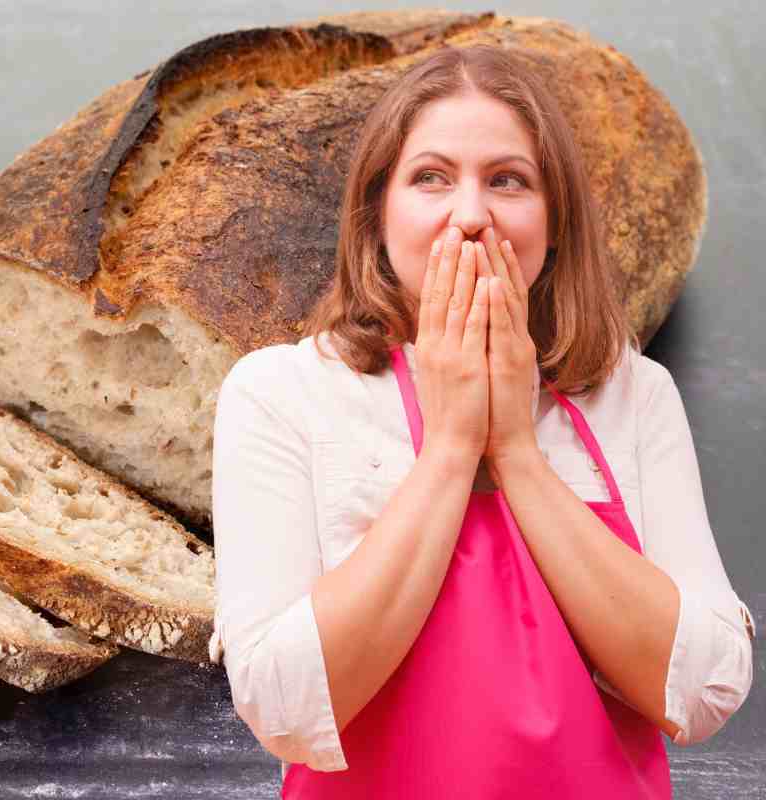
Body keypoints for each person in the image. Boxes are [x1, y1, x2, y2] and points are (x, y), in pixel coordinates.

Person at [208, 45, 755, 798]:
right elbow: (283, 708)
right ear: (378, 214)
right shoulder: (281, 394)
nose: (469, 217)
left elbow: (704, 691)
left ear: (554, 222)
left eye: (509, 181)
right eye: (431, 177)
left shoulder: (635, 395)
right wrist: (455, 446)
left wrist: (517, 453)